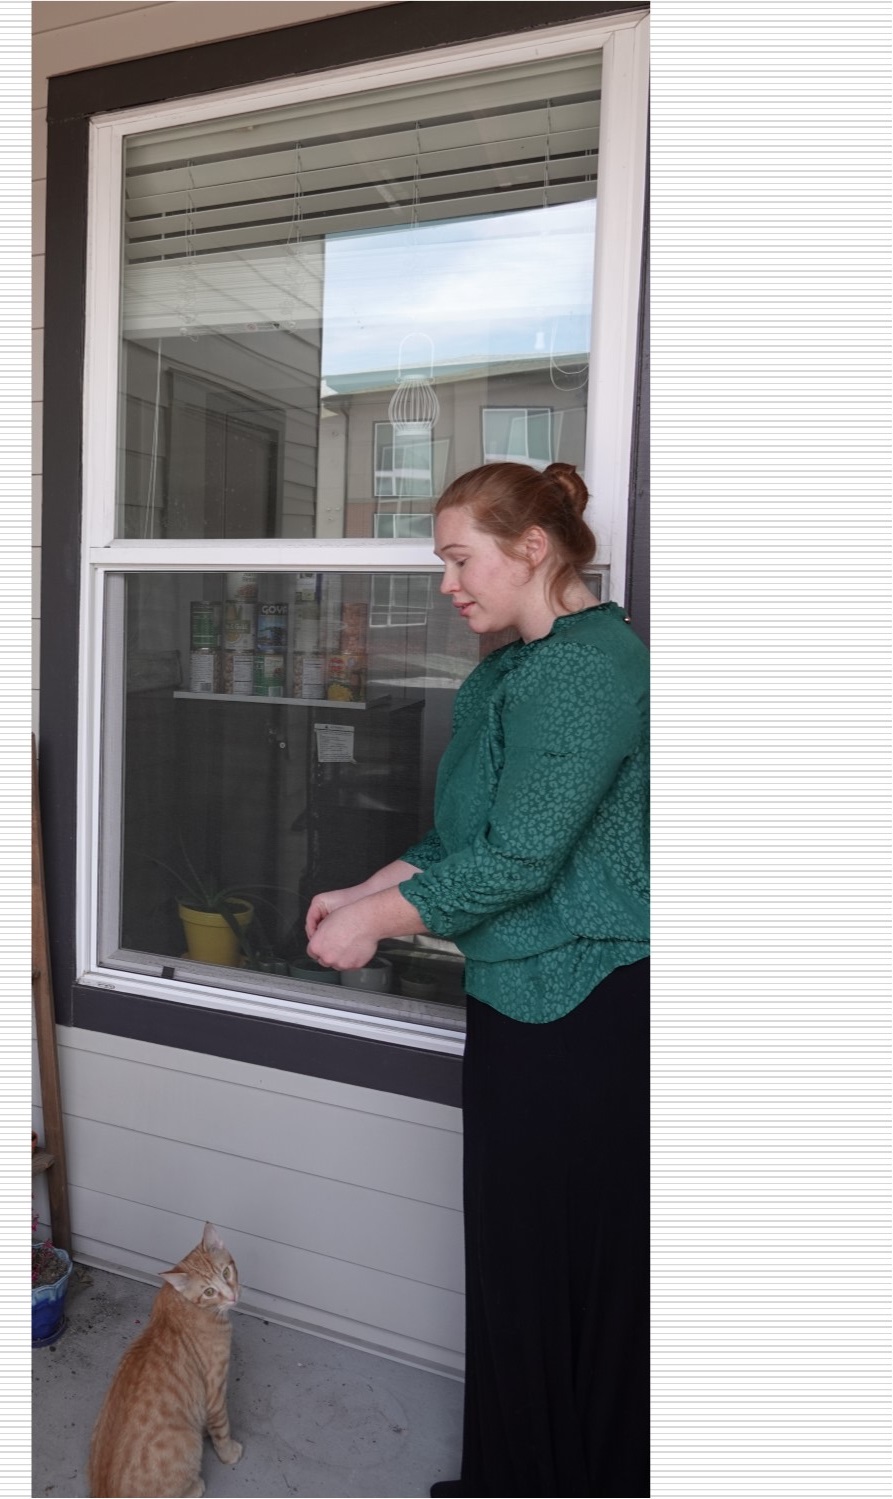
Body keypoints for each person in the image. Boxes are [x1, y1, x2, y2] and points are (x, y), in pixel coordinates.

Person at [305, 461, 649, 1497]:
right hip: (518, 1001)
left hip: (580, 1012)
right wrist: (368, 885)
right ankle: (514, 1472)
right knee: (516, 1264)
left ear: (532, 548)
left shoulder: (590, 669)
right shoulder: (515, 667)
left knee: (558, 1273)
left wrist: (376, 920)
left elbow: (522, 858)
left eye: (461, 558)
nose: (449, 582)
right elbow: (470, 838)